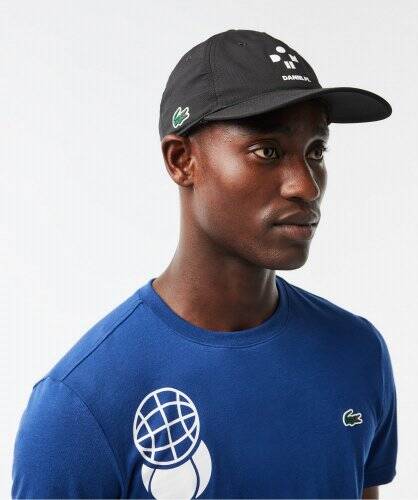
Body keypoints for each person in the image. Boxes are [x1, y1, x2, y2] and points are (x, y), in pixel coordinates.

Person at [12, 29, 397, 499]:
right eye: (268, 151)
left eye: (316, 151)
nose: (306, 185)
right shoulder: (80, 407)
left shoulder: (356, 352)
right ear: (181, 161)